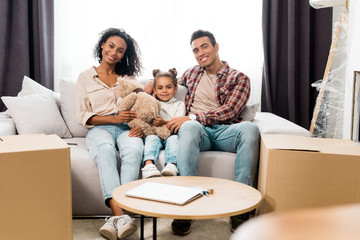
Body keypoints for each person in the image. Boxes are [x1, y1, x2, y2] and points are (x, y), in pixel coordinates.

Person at [166, 30, 260, 235]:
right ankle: (184, 207)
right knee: (189, 127)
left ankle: (240, 208)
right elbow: (169, 83)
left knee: (250, 129)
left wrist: (192, 117)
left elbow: (231, 111)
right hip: (199, 132)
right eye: (196, 50)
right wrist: (149, 83)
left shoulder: (239, 77)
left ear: (216, 47)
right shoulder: (191, 73)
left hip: (226, 131)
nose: (200, 53)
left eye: (204, 47)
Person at [76, 28, 144, 240]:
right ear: (103, 45)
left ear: (124, 55)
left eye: (121, 50)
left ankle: (117, 219)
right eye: (111, 46)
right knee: (105, 150)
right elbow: (83, 115)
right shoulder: (85, 77)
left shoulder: (128, 78)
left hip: (126, 127)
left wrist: (140, 125)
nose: (114, 52)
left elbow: (142, 105)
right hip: (100, 128)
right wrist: (113, 119)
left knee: (133, 150)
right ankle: (120, 214)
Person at [141, 68, 186, 179]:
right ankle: (148, 165)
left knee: (174, 140)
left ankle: (171, 165)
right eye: (160, 88)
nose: (164, 91)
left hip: (171, 133)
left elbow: (178, 122)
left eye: (168, 87)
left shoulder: (179, 104)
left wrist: (163, 122)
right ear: (155, 90)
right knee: (151, 138)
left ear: (175, 89)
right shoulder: (152, 103)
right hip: (156, 133)